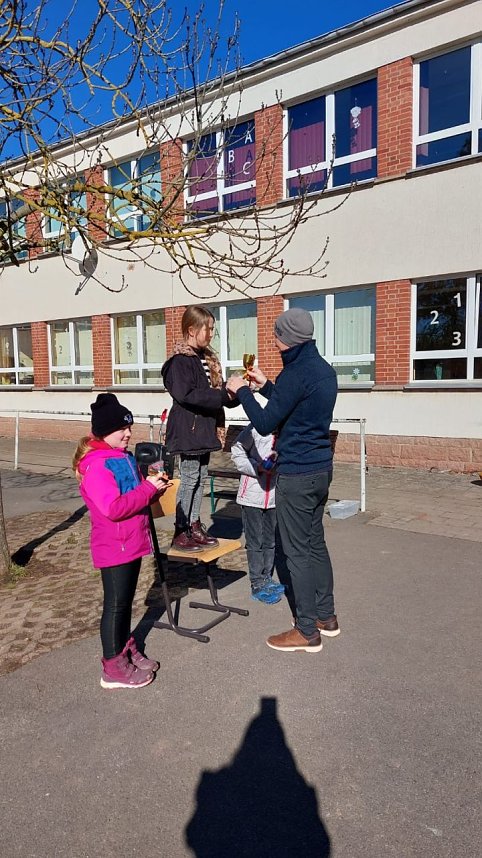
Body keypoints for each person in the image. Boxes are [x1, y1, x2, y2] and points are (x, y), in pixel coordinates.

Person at [227, 307, 340, 654]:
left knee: (296, 551)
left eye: (276, 334)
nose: (274, 340)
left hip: (297, 474)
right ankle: (326, 617)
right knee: (316, 544)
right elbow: (295, 406)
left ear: (285, 338)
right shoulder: (322, 370)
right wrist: (267, 386)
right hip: (321, 470)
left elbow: (264, 423)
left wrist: (242, 391)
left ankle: (306, 630)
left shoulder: (296, 373)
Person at [73, 393, 170, 690]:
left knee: (125, 603)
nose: (129, 434)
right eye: (122, 429)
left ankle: (123, 647)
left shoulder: (122, 457)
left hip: (131, 541)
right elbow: (114, 507)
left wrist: (153, 487)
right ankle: (112, 666)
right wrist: (145, 491)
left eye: (130, 427)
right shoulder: (96, 465)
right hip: (114, 546)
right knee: (115, 605)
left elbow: (135, 493)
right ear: (105, 431)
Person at [162, 305, 238, 551]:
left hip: (204, 429)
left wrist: (236, 391)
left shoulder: (205, 359)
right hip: (189, 429)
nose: (212, 334)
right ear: (192, 329)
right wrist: (221, 396)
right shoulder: (180, 362)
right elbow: (188, 395)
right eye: (209, 329)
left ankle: (194, 525)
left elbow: (215, 393)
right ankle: (181, 529)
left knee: (201, 477)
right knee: (190, 478)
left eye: (213, 329)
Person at [231, 424, 285, 604]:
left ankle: (267, 578)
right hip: (252, 495)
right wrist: (256, 467)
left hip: (274, 496)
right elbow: (237, 450)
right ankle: (256, 582)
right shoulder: (255, 428)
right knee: (255, 541)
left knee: (270, 540)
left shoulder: (286, 428)